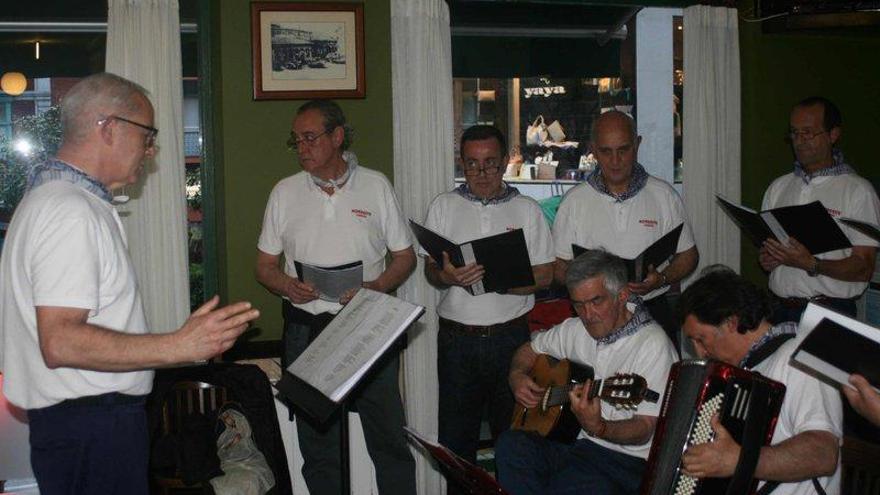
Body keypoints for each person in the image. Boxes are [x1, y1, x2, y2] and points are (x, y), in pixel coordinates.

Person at [0, 72, 260, 495]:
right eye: (147, 134)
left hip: (84, 423)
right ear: (109, 128)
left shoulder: (59, 199)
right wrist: (178, 346)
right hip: (91, 424)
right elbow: (61, 340)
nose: (151, 149)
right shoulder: (69, 210)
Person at [254, 99, 416, 494]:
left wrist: (375, 287)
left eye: (310, 137)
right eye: (296, 141)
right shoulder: (284, 192)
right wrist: (286, 285)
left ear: (338, 136)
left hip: (369, 326)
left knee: (388, 437)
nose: (302, 147)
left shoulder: (376, 185)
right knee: (317, 442)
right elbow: (264, 267)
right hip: (306, 329)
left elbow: (405, 257)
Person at [422, 125, 554, 490]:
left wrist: (500, 281)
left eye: (491, 164)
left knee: (513, 442)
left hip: (511, 340)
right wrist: (446, 276)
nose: (482, 174)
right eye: (472, 165)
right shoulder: (444, 205)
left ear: (505, 162)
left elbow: (545, 275)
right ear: (461, 163)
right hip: (456, 341)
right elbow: (431, 269)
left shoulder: (526, 209)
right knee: (455, 445)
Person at [494, 250, 678, 495]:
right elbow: (529, 349)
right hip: (576, 444)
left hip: (625, 461)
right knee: (511, 445)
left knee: (568, 485)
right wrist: (516, 375)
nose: (588, 315)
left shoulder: (653, 345)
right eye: (578, 305)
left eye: (596, 301)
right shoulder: (575, 329)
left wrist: (600, 427)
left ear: (622, 295)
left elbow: (645, 427)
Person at [678, 269, 841, 495]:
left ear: (731, 323)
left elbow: (823, 454)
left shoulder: (798, 359)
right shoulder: (743, 371)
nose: (700, 352)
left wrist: (740, 461)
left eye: (701, 339)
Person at [552, 110, 698, 349]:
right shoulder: (574, 202)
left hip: (653, 309)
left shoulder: (663, 196)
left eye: (623, 150)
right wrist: (592, 289)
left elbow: (689, 255)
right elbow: (559, 267)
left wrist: (661, 279)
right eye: (606, 152)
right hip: (595, 317)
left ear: (637, 145)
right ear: (593, 149)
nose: (615, 160)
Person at [760, 96, 880, 323]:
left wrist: (811, 264)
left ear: (833, 135)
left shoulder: (857, 190)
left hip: (830, 312)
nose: (799, 141)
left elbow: (864, 267)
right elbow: (769, 248)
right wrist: (769, 259)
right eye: (795, 133)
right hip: (780, 308)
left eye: (808, 132)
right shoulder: (778, 187)